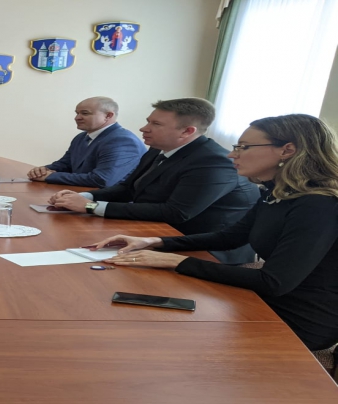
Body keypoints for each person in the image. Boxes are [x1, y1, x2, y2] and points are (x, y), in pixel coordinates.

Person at [90, 114, 338, 371]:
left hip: (301, 317)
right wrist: (155, 242)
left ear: (287, 150)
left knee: (168, 346)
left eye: (243, 147)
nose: (232, 155)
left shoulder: (318, 205)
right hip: (266, 299)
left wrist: (177, 262)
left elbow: (274, 282)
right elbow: (229, 237)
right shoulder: (276, 192)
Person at [49, 97, 260, 264]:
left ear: (187, 131)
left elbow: (176, 213)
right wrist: (83, 196)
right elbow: (127, 188)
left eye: (155, 124)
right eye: (148, 121)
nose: (144, 128)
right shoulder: (158, 149)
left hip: (206, 251)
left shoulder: (213, 161)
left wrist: (90, 206)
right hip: (154, 234)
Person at [27, 97, 146, 187]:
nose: (77, 118)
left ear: (108, 115)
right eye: (77, 113)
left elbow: (102, 180)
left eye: (85, 113)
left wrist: (51, 176)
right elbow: (65, 165)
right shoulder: (81, 137)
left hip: (108, 204)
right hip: (79, 195)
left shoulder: (122, 141)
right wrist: (42, 170)